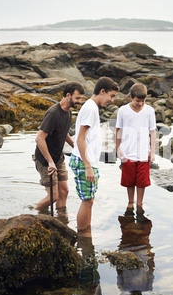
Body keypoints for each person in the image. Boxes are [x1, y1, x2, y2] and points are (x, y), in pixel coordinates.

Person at [70, 77, 119, 232]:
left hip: (87, 161)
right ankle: (83, 236)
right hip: (85, 162)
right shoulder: (90, 109)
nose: (112, 100)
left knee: (89, 200)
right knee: (87, 201)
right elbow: (80, 139)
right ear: (102, 91)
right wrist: (88, 166)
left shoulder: (91, 107)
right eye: (111, 96)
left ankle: (86, 232)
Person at [34, 82, 85, 216]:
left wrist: (73, 144)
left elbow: (63, 131)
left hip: (58, 157)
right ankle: (31, 216)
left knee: (64, 191)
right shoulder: (53, 113)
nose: (79, 102)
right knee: (53, 197)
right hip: (45, 160)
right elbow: (39, 138)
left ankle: (61, 219)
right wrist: (50, 162)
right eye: (77, 98)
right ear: (68, 95)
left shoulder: (68, 111)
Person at [116, 83, 156, 214]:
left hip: (144, 151)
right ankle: (130, 202)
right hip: (128, 151)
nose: (140, 103)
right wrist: (118, 148)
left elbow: (152, 131)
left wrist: (152, 151)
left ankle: (140, 203)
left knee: (142, 181)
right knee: (129, 181)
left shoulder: (149, 111)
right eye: (137, 100)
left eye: (143, 101)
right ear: (131, 97)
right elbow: (118, 129)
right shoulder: (123, 110)